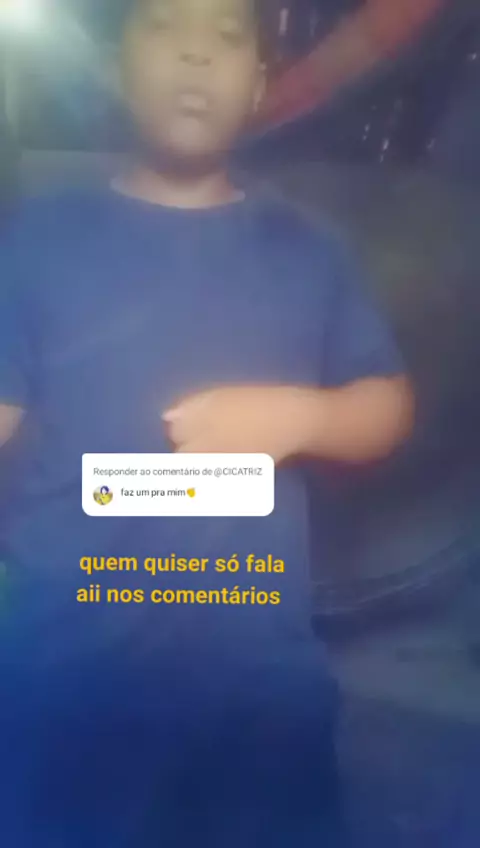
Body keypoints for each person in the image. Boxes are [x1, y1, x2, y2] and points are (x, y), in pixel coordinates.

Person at [0, 1, 414, 845]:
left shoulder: (306, 249)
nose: (195, 54)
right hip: (65, 676)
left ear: (259, 84)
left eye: (226, 37)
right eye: (165, 28)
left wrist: (301, 415)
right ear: (117, 67)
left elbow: (387, 406)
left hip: (256, 684)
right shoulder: (40, 239)